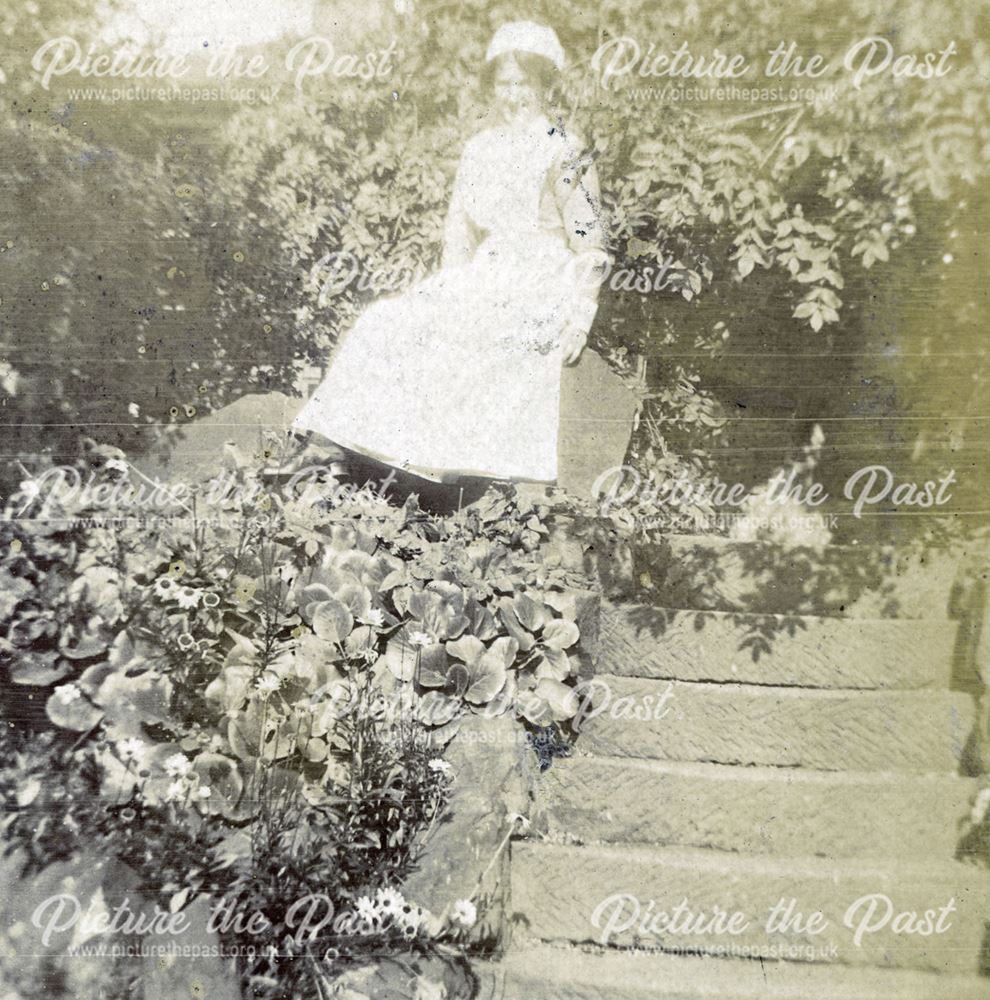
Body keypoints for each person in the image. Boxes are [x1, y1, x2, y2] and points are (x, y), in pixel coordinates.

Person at [291, 20, 608, 500]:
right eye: (504, 83)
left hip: (543, 278)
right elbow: (457, 236)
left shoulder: (566, 149)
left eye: (524, 82)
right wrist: (449, 291)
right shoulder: (478, 150)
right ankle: (352, 451)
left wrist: (580, 314)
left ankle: (453, 475)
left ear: (545, 84)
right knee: (388, 320)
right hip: (488, 271)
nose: (513, 95)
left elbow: (590, 241)